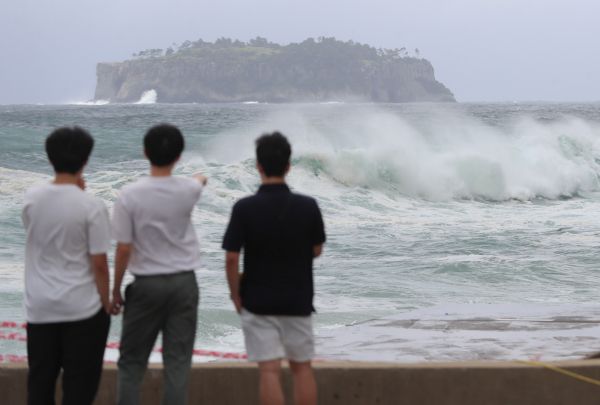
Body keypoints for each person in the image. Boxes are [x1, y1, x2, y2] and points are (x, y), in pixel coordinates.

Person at [222, 132, 326, 405]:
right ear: (289, 166)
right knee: (301, 368)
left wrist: (236, 296)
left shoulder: (244, 208)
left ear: (258, 166)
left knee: (268, 369)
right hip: (298, 298)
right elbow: (316, 250)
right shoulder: (308, 206)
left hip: (258, 300)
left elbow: (231, 258)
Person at [111, 123, 207, 405]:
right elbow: (200, 180)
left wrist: (116, 291)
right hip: (184, 284)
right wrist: (200, 177)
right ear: (178, 156)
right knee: (177, 364)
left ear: (144, 153)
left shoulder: (129, 194)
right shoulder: (188, 189)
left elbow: (123, 249)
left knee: (131, 363)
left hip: (146, 285)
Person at [22, 126, 112, 405]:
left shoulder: (31, 199)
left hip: (40, 307)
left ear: (50, 159)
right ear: (86, 161)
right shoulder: (92, 206)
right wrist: (106, 301)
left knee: (40, 384)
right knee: (79, 388)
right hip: (82, 309)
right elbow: (99, 263)